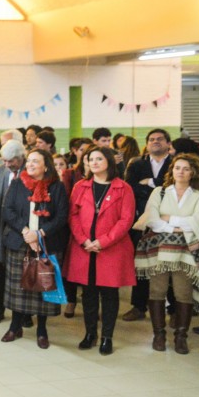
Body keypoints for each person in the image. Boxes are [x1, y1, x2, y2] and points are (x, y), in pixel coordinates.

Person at [133, 153, 199, 354]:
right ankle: (159, 334)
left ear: (193, 172)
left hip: (186, 255)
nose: (181, 172)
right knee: (156, 291)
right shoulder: (159, 192)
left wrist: (169, 220)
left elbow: (196, 222)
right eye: (177, 168)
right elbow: (152, 219)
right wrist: (176, 227)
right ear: (172, 170)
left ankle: (180, 336)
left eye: (186, 168)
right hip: (159, 253)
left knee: (183, 293)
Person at [66, 147, 136, 355]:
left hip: (111, 249)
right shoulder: (81, 186)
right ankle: (90, 334)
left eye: (99, 159)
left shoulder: (123, 188)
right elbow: (73, 215)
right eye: (90, 159)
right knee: (88, 294)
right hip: (84, 248)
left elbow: (126, 220)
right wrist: (84, 240)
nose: (94, 163)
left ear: (109, 161)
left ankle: (107, 337)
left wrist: (102, 242)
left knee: (109, 294)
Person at [0, 149, 70, 348]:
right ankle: (15, 326)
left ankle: (41, 330)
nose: (29, 164)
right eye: (28, 161)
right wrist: (26, 232)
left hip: (46, 244)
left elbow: (61, 216)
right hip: (19, 241)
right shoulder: (17, 183)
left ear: (46, 166)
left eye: (35, 161)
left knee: (42, 288)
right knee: (18, 288)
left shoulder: (56, 187)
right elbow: (8, 210)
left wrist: (39, 234)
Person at [122, 129, 173, 321]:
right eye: (152, 139)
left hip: (169, 221)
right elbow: (130, 188)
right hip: (142, 221)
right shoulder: (137, 164)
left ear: (168, 143)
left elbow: (176, 186)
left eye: (160, 139)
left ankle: (174, 308)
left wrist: (151, 182)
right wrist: (153, 190)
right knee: (141, 265)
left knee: (169, 264)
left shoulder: (175, 163)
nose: (156, 142)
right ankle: (138, 306)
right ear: (147, 143)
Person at [0, 140, 25, 326]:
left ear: (21, 157)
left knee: (20, 273)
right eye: (5, 160)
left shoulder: (28, 171)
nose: (7, 164)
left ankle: (23, 314)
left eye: (12, 161)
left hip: (19, 228)